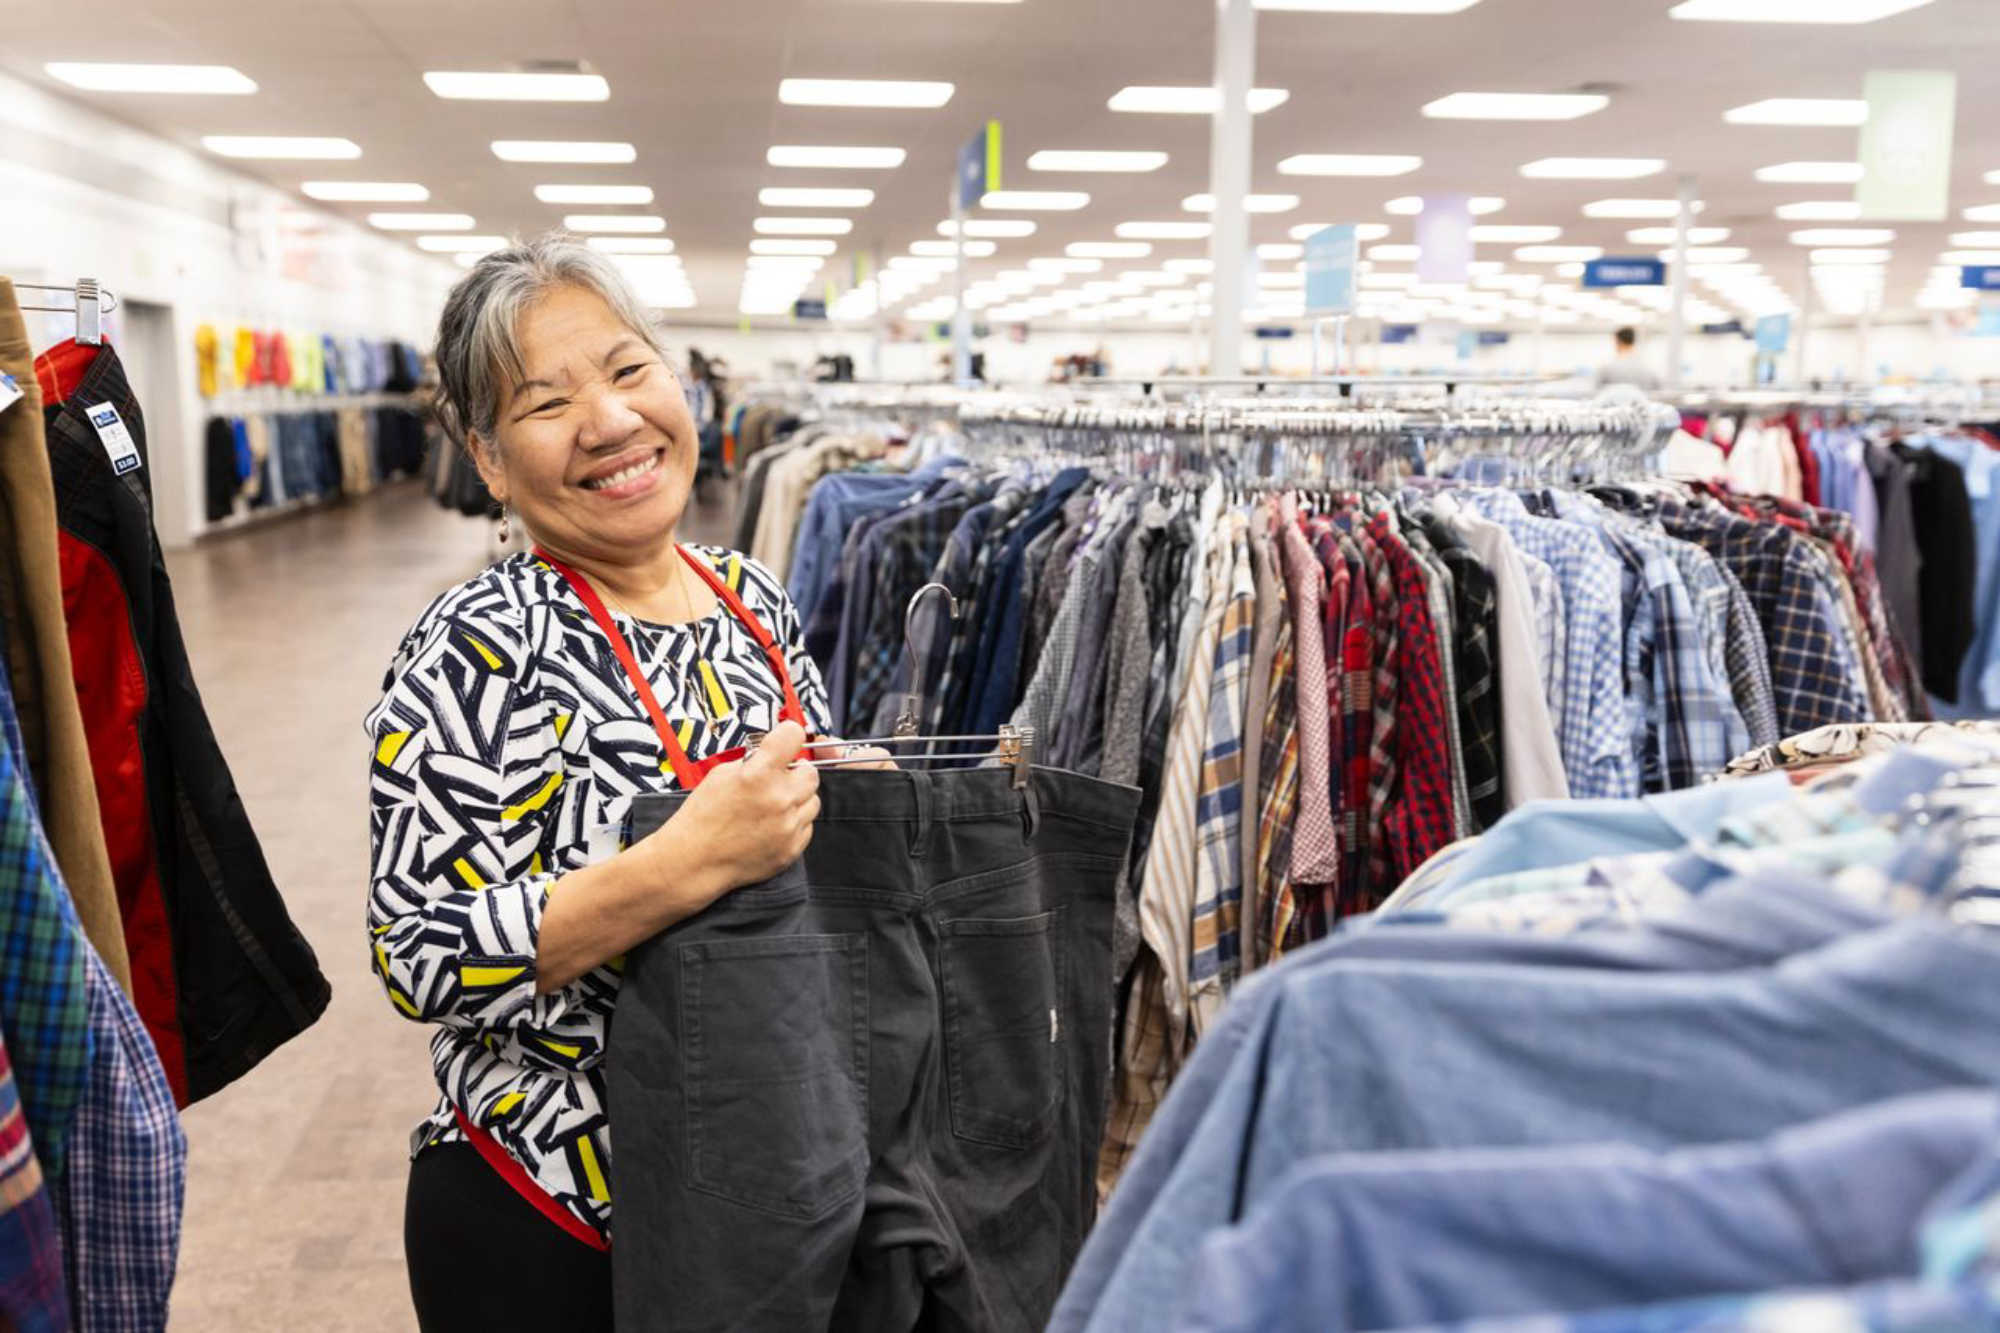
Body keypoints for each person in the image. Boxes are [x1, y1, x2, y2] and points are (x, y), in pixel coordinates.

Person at [366, 232, 885, 1331]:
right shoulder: (477, 645)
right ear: (490, 458)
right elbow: (420, 953)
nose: (609, 423)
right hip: (559, 1219)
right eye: (545, 403)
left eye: (627, 369)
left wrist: (844, 798)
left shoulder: (750, 599)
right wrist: (686, 861)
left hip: (758, 1188)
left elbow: (785, 847)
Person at [1597, 325, 1662, 392]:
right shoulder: (1648, 367)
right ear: (1634, 341)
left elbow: (1596, 391)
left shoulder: (1607, 367)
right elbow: (1658, 390)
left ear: (1617, 341)